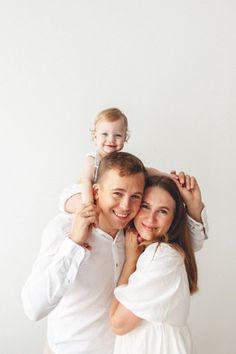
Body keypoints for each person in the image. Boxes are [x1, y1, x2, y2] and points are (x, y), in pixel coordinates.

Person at [22, 152, 208, 354]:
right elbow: (34, 308)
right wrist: (74, 243)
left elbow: (184, 243)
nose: (125, 206)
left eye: (136, 197)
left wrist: (194, 206)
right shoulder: (64, 229)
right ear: (96, 191)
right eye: (117, 193)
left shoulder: (135, 232)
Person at [110, 175, 202, 354]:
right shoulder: (155, 251)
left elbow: (118, 324)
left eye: (162, 211)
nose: (151, 219)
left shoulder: (160, 255)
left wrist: (130, 261)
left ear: (174, 219)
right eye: (145, 206)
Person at [79, 107, 129, 205]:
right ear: (95, 136)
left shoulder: (122, 161)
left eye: (118, 135)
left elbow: (144, 170)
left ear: (125, 138)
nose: (111, 140)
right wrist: (89, 205)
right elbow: (86, 181)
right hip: (85, 197)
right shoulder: (93, 159)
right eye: (105, 134)